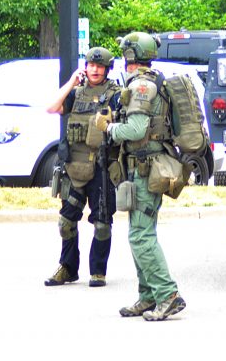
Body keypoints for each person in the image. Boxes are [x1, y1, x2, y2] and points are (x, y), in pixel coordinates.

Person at [92, 31, 186, 321]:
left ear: (130, 56)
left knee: (141, 236)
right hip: (139, 167)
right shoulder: (144, 81)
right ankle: (147, 296)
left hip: (147, 168)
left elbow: (135, 130)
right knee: (139, 232)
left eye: (124, 54)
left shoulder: (142, 86)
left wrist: (108, 129)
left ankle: (168, 295)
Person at [44, 47, 122, 288]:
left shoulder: (115, 94)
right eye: (91, 65)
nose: (95, 69)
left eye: (99, 66)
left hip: (101, 167)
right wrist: (71, 82)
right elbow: (51, 107)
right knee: (66, 222)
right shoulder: (76, 93)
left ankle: (98, 271)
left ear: (107, 69)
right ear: (85, 67)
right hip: (74, 167)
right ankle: (67, 268)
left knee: (102, 224)